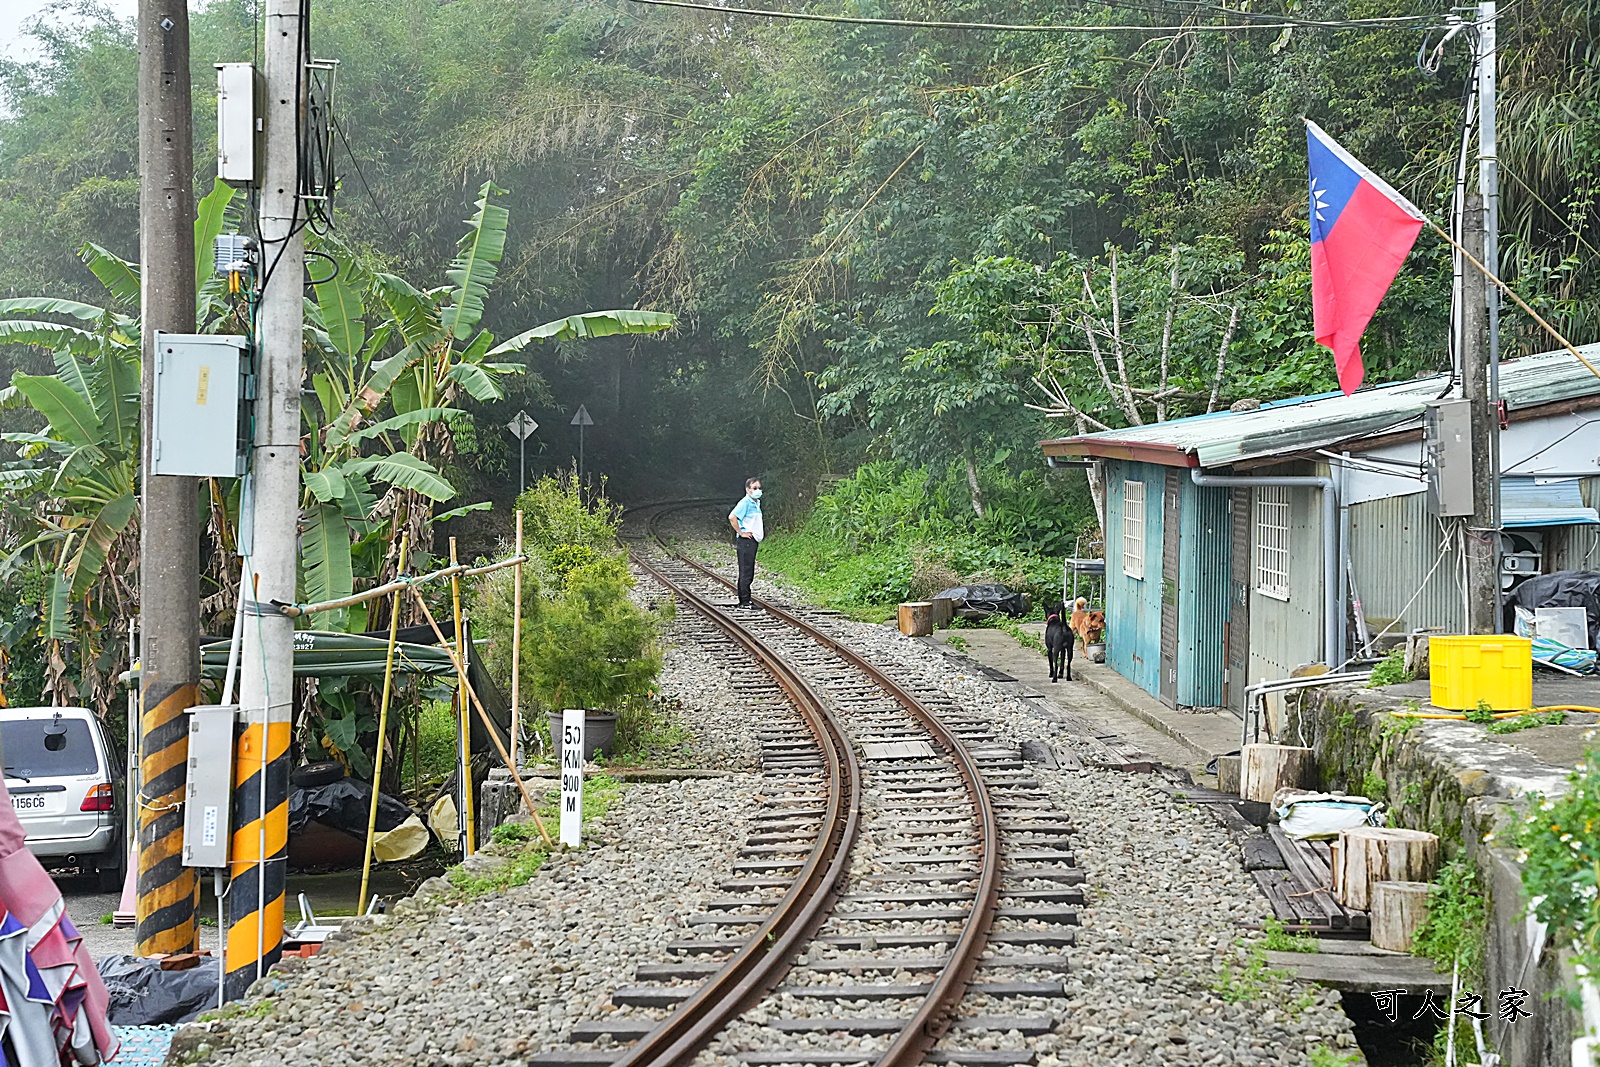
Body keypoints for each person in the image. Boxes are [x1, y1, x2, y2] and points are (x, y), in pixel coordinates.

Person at [728, 477, 764, 608]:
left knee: (749, 570)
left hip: (752, 540)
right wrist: (741, 532)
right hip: (745, 541)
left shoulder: (756, 503)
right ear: (748, 490)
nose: (758, 490)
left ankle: (746, 599)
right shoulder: (745, 503)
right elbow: (732, 517)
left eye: (759, 488)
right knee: (746, 570)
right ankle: (744, 601)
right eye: (754, 488)